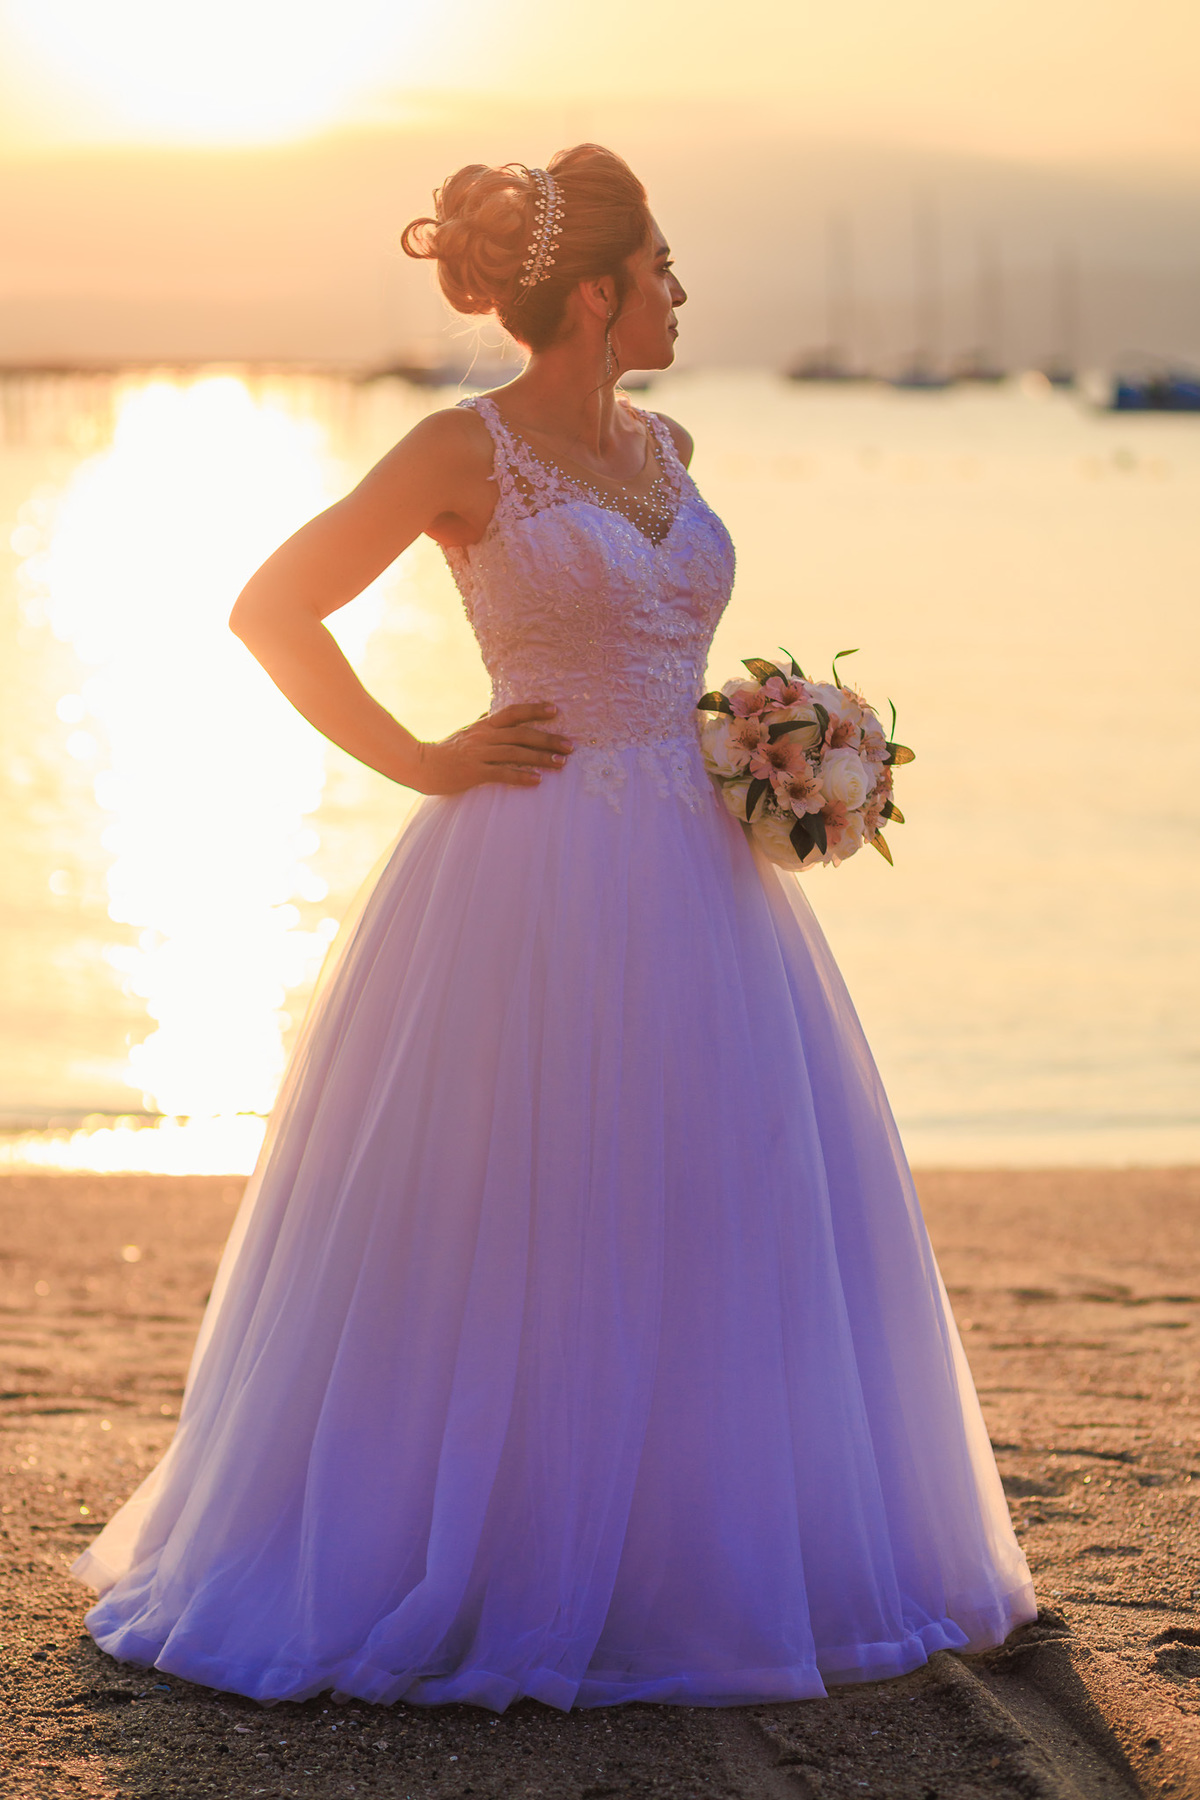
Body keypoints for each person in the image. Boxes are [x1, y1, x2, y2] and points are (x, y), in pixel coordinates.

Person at [73, 144, 1035, 1710]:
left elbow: (662, 637)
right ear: (596, 292)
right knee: (518, 1213)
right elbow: (269, 606)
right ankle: (496, 1548)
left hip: (703, 877)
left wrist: (774, 737)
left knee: (712, 1201)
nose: (678, 289)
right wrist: (427, 757)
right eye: (660, 265)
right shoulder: (465, 451)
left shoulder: (670, 443)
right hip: (525, 875)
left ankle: (691, 1548)